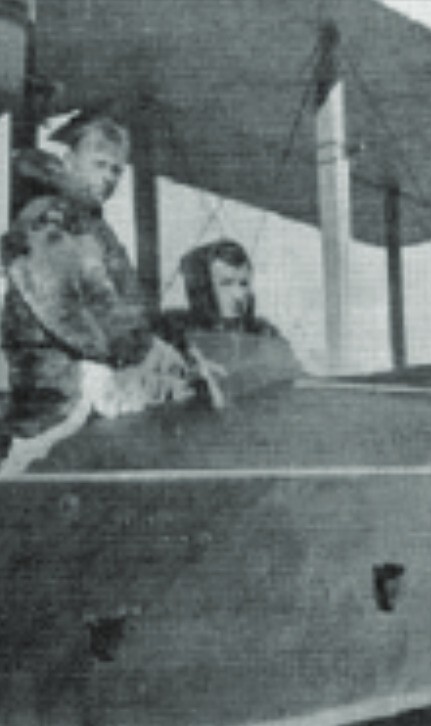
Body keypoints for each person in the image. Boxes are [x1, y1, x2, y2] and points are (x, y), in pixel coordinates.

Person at [0, 112, 194, 464]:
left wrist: (160, 346)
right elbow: (62, 306)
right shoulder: (49, 217)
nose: (108, 178)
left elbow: (122, 304)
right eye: (99, 164)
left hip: (79, 382)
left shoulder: (90, 225)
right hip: (54, 392)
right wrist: (139, 351)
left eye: (116, 170)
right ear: (69, 161)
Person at [156, 239, 301, 398]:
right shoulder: (174, 334)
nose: (239, 295)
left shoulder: (265, 334)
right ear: (203, 289)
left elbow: (289, 379)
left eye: (244, 284)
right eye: (226, 284)